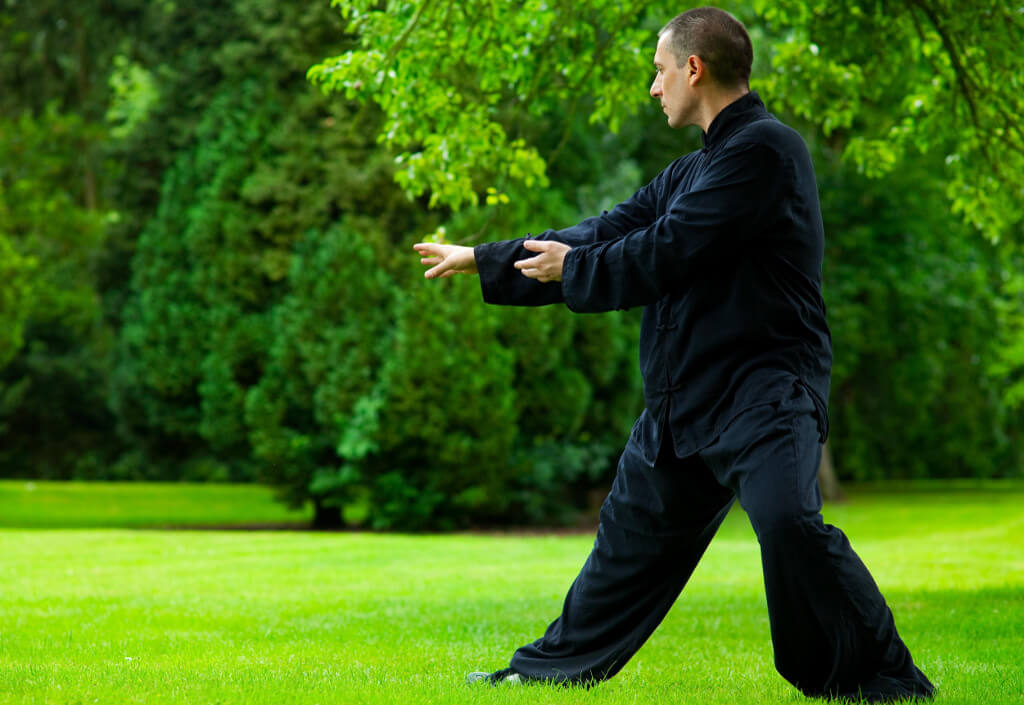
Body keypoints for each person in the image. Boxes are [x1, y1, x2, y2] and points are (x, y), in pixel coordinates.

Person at [413, 6, 934, 702]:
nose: (654, 88)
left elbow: (667, 249)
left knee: (786, 522)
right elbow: (608, 229)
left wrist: (574, 270)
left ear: (694, 68)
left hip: (763, 391)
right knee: (625, 551)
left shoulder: (766, 151)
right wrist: (486, 257)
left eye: (660, 72)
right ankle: (541, 671)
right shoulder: (692, 170)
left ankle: (878, 675)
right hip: (685, 397)